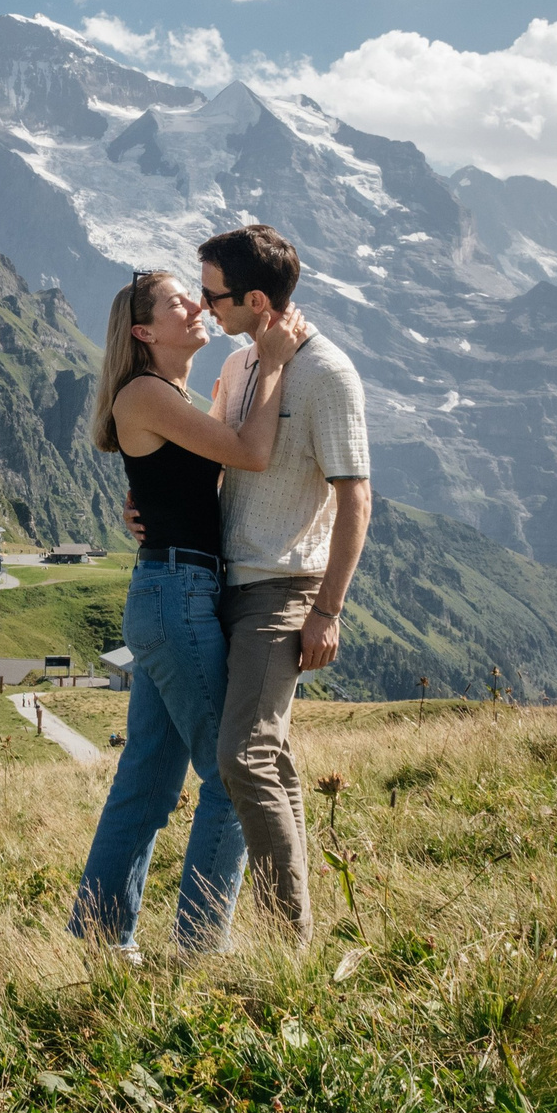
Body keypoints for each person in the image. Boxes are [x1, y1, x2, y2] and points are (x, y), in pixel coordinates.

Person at [69, 268, 304, 955]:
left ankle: (100, 943)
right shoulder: (146, 391)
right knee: (231, 776)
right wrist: (276, 363)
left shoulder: (167, 394)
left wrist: (149, 504)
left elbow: (208, 483)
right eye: (178, 302)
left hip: (168, 590)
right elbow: (251, 452)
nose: (197, 304)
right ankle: (199, 950)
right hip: (178, 595)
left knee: (146, 782)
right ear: (145, 332)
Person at [197, 225, 371, 934]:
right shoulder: (241, 367)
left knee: (245, 753)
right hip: (224, 585)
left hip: (281, 588)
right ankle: (292, 930)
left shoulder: (328, 372)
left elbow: (356, 496)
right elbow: (217, 459)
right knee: (269, 754)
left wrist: (327, 609)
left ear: (256, 298)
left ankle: (283, 939)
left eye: (215, 296)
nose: (207, 309)